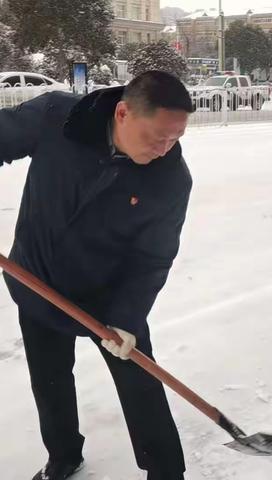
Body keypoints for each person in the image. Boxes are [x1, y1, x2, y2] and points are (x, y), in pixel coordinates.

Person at [0, 70, 194, 480]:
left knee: (141, 383)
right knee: (48, 379)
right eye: (157, 136)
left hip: (107, 297)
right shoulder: (59, 118)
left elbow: (152, 258)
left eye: (175, 138)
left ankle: (166, 472)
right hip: (37, 279)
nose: (165, 148)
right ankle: (64, 456)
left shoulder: (170, 180)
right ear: (123, 113)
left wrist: (126, 319)